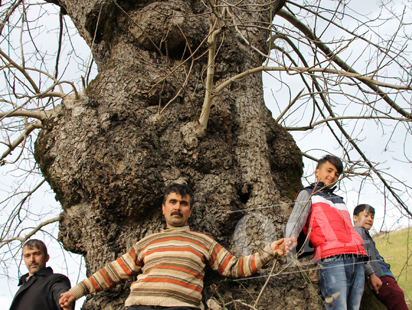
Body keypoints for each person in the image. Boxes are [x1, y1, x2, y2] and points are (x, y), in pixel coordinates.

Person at [59, 183, 287, 310]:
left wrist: (269, 253)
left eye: (183, 203)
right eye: (173, 202)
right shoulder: (146, 242)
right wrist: (75, 292)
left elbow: (235, 267)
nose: (178, 207)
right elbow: (112, 272)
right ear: (164, 208)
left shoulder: (203, 241)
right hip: (140, 306)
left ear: (190, 210)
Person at [285, 154, 368, 310]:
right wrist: (291, 237)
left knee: (354, 306)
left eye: (336, 174)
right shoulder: (308, 193)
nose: (332, 176)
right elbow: (295, 219)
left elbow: (350, 230)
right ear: (317, 171)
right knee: (338, 306)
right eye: (329, 171)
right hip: (331, 257)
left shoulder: (340, 200)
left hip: (356, 258)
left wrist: (369, 269)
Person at [353, 204, 408, 310]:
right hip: (381, 277)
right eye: (366, 215)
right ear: (355, 217)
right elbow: (361, 255)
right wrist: (372, 275)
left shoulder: (365, 234)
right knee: (396, 299)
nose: (370, 219)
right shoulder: (357, 232)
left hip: (382, 276)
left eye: (372, 217)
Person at [9, 239, 73, 310]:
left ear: (46, 257)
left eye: (36, 254)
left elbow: (61, 294)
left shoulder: (55, 280)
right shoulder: (23, 284)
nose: (32, 259)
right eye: (27, 256)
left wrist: (65, 301)